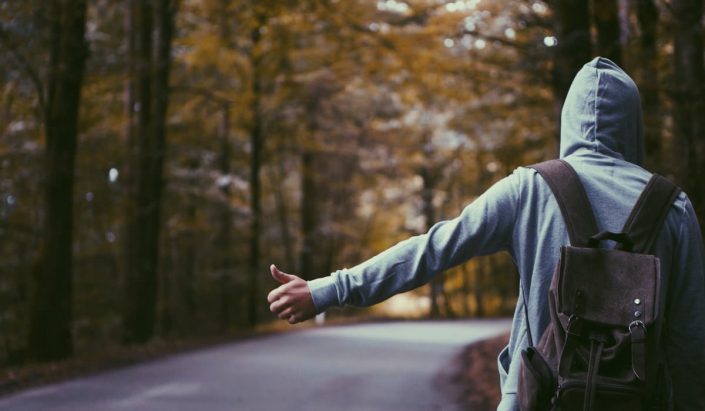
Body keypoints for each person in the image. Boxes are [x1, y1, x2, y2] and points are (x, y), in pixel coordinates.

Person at [266, 57, 705, 410]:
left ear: (568, 120)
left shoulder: (531, 189)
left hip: (537, 399)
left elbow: (432, 250)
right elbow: (689, 340)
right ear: (633, 124)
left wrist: (326, 290)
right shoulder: (673, 207)